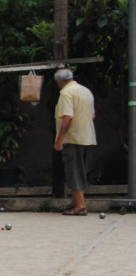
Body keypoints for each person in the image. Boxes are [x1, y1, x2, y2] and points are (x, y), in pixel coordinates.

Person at [53, 68, 96, 215]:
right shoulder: (85, 91)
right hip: (87, 137)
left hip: (73, 138)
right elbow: (93, 115)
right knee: (80, 171)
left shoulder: (66, 93)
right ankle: (75, 202)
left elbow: (67, 118)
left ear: (59, 82)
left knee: (74, 172)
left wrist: (59, 139)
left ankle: (81, 206)